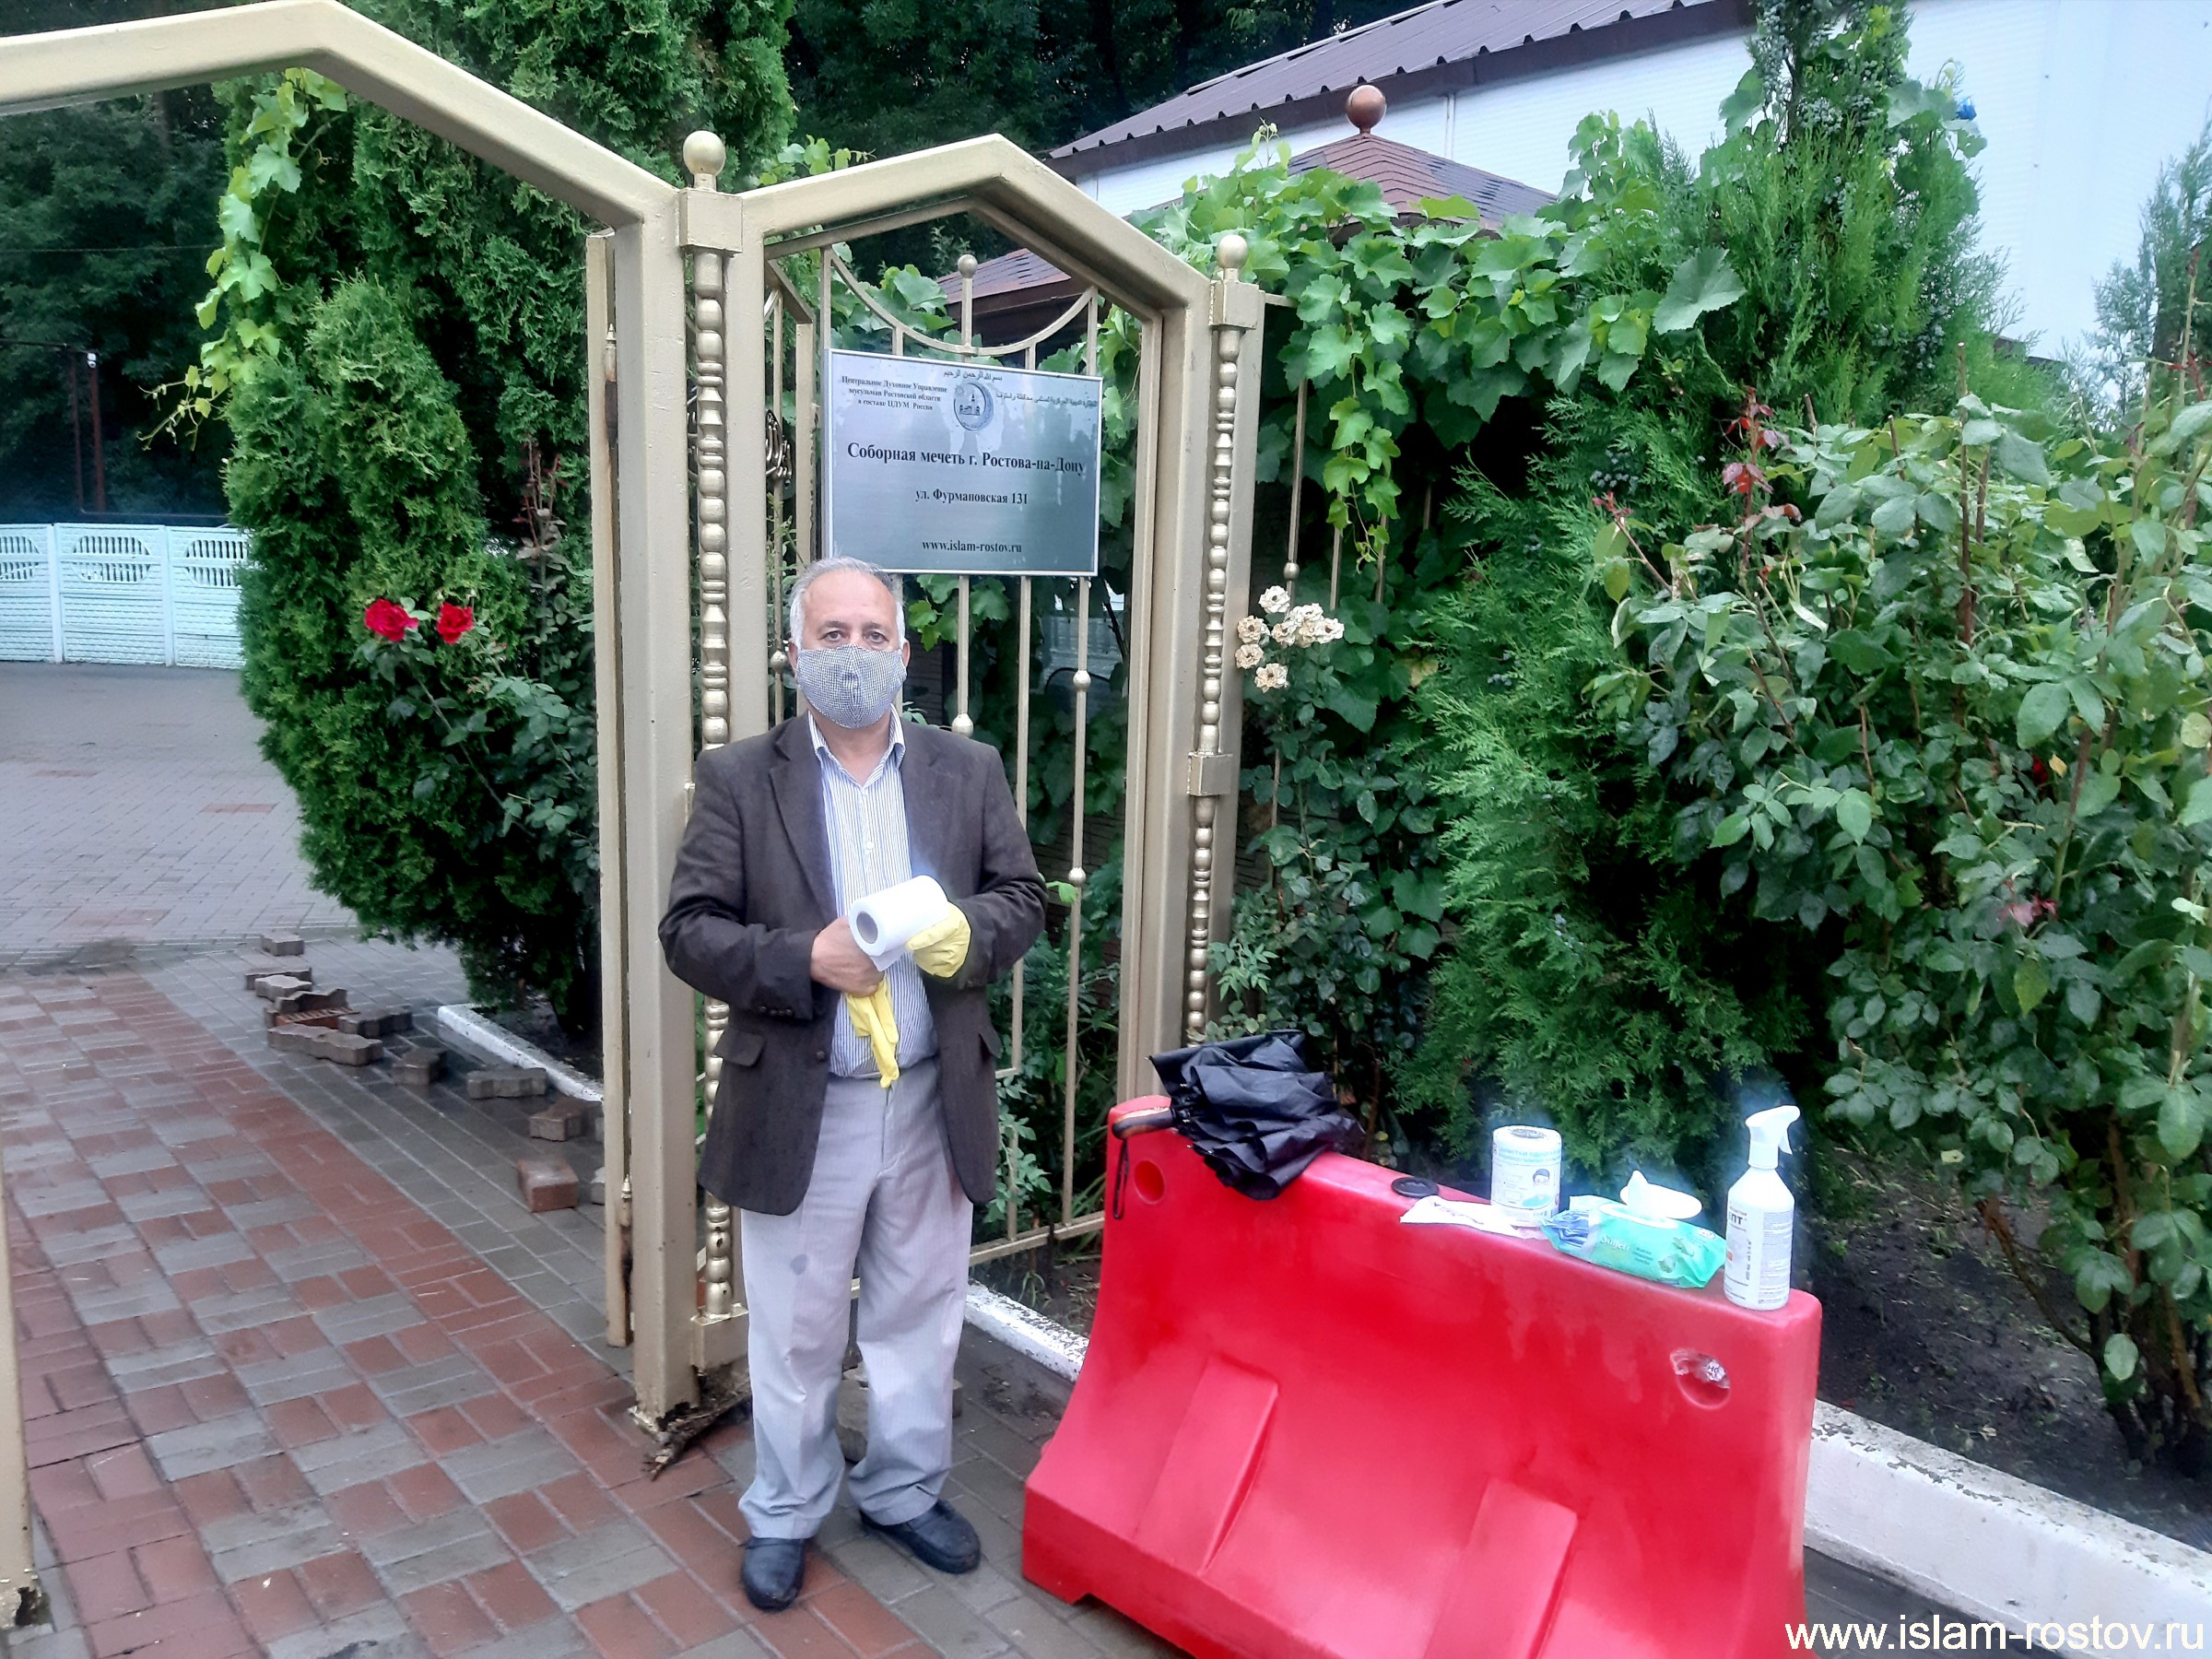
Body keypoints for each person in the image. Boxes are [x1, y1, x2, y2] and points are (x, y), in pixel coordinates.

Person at [659, 555, 1045, 1612]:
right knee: (795, 1329)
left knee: (921, 1315)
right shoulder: (741, 777)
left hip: (930, 1097)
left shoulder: (967, 771)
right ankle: (785, 1510)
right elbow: (689, 931)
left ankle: (903, 1493)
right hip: (805, 1100)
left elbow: (1022, 898)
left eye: (874, 634)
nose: (855, 653)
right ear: (795, 654)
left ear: (906, 654)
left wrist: (967, 935)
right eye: (832, 634)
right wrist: (803, 960)